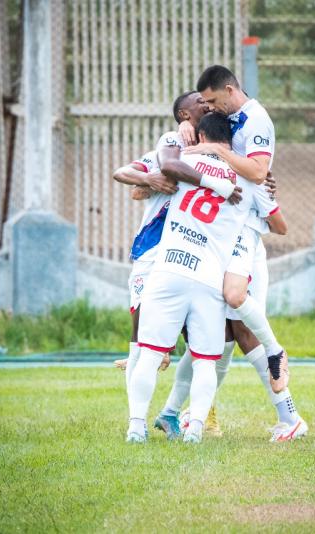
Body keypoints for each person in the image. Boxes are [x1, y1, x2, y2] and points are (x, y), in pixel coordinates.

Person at [156, 65, 308, 442]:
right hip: (224, 239)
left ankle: (286, 404)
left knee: (236, 320)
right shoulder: (221, 124)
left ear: (226, 90)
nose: (207, 108)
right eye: (200, 106)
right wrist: (190, 136)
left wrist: (217, 152)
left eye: (209, 101)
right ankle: (185, 413)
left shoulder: (254, 120)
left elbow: (257, 174)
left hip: (246, 236)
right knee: (219, 331)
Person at [126, 112, 253, 444]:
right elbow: (273, 216)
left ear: (200, 137)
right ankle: (195, 429)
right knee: (205, 362)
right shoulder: (246, 180)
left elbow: (144, 186)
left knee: (150, 353)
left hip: (168, 269)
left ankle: (136, 427)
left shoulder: (182, 160)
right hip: (209, 278)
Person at [110, 91, 210, 388]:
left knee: (202, 336)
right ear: (184, 115)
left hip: (195, 249)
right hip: (153, 246)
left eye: (208, 99)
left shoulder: (218, 146)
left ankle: (201, 415)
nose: (205, 102)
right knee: (139, 329)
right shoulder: (169, 144)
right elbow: (123, 174)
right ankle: (135, 419)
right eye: (198, 100)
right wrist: (149, 180)